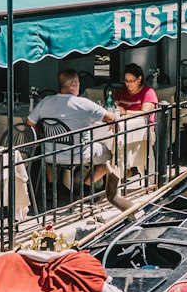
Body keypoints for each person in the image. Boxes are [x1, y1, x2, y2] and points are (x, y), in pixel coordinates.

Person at [27, 69, 129, 210]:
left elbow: (30, 123)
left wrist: (44, 132)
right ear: (74, 85)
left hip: (50, 154)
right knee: (111, 155)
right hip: (78, 154)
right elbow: (111, 118)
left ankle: (53, 186)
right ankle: (85, 187)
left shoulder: (46, 101)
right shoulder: (83, 103)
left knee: (50, 149)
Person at [114, 64, 159, 178]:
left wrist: (125, 112)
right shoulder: (121, 91)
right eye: (126, 80)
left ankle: (144, 175)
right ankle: (119, 173)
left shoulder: (148, 92)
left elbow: (145, 114)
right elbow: (115, 108)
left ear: (139, 79)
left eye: (131, 81)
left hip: (144, 130)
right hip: (124, 128)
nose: (128, 83)